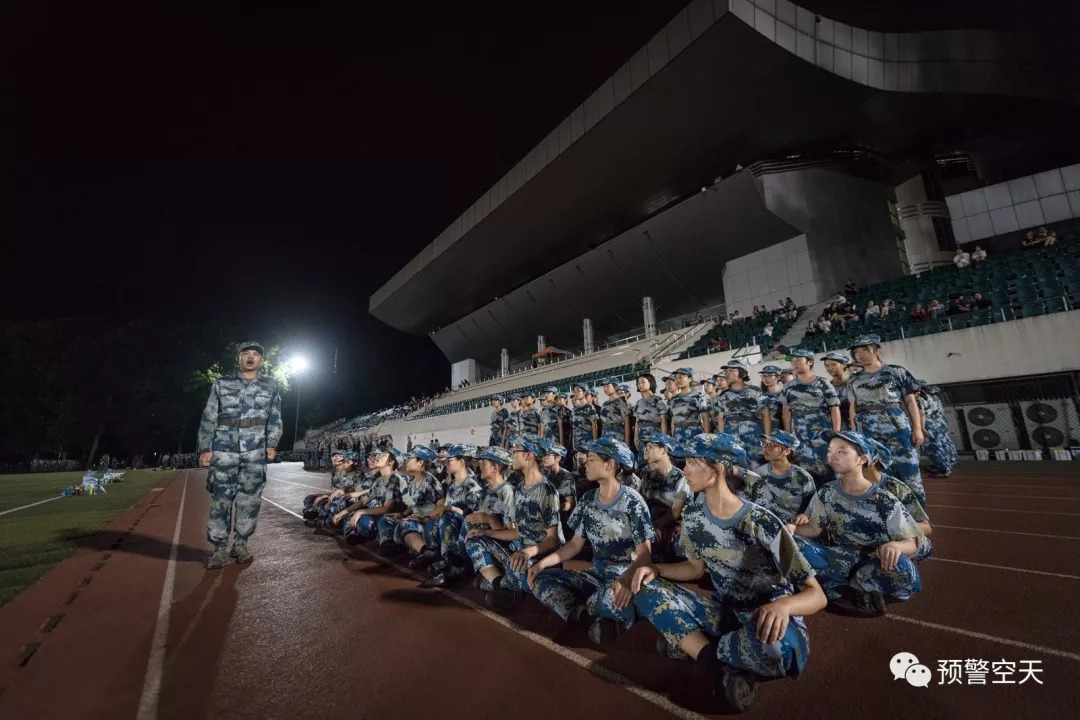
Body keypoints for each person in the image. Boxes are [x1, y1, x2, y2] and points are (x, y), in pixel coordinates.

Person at [630, 433, 825, 712]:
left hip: (766, 618)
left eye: (692, 463)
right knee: (644, 585)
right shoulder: (694, 517)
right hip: (724, 614)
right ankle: (713, 658)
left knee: (783, 652)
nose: (684, 471)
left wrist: (784, 606)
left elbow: (816, 594)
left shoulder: (761, 521)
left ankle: (695, 645)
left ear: (717, 469)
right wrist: (655, 569)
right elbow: (695, 569)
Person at [529, 437, 654, 646]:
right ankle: (587, 615)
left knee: (617, 598)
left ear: (610, 464)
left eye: (592, 459)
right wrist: (542, 564)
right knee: (541, 579)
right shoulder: (588, 499)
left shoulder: (632, 501)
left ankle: (595, 611)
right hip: (595, 575)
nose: (585, 462)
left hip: (622, 578)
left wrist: (626, 578)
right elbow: (574, 545)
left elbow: (645, 555)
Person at [789, 431, 927, 616]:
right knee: (791, 543)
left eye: (842, 451)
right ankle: (853, 592)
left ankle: (842, 589)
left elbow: (912, 542)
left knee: (903, 568)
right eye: (830, 450)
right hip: (838, 556)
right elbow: (814, 528)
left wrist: (896, 546)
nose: (832, 455)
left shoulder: (884, 499)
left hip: (872, 560)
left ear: (862, 459)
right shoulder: (826, 492)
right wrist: (792, 529)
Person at [197, 341, 283, 569]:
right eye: (246, 353)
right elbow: (209, 415)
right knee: (221, 500)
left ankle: (241, 544)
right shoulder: (221, 384)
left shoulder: (271, 386)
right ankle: (219, 549)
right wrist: (205, 448)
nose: (251, 357)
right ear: (239, 358)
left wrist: (272, 443)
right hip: (224, 450)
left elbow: (275, 417)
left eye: (256, 354)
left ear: (261, 359)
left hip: (255, 451)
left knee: (250, 500)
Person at [468, 435, 562, 610]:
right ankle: (502, 585)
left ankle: (508, 586)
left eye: (515, 451)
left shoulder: (547, 490)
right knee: (475, 540)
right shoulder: (519, 489)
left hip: (540, 556)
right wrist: (485, 532)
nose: (512, 456)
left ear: (529, 455)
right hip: (521, 553)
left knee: (521, 571)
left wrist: (527, 552)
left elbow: (552, 540)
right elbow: (519, 532)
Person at [845, 334, 925, 504]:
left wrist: (917, 428)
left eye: (865, 350)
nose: (860, 355)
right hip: (867, 428)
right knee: (877, 471)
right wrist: (855, 434)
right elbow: (853, 407)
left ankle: (916, 511)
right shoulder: (854, 379)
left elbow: (910, 402)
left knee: (909, 470)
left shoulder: (896, 372)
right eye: (856, 352)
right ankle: (888, 508)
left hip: (896, 425)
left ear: (876, 350)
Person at [424, 446, 516, 587]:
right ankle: (458, 565)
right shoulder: (486, 490)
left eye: (483, 462)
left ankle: (460, 568)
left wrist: (489, 521)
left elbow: (512, 534)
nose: (479, 465)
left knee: (468, 526)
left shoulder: (506, 492)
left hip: (502, 548)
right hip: (484, 540)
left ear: (495, 467)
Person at [406, 445, 482, 571]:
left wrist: (452, 509)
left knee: (446, 517)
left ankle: (453, 563)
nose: (446, 464)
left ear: (461, 462)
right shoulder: (452, 486)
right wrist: (424, 517)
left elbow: (475, 517)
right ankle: (438, 556)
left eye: (449, 461)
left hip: (465, 529)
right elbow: (444, 508)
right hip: (451, 523)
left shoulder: (472, 487)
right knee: (433, 522)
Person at [781, 349, 841, 484]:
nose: (794, 363)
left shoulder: (822, 383)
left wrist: (836, 432)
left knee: (828, 462)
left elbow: (834, 407)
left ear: (809, 362)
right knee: (804, 464)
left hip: (821, 427)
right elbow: (786, 412)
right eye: (793, 361)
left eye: (798, 360)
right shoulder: (788, 386)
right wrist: (788, 436)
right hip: (799, 429)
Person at [376, 445, 444, 556]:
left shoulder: (430, 481)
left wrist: (422, 518)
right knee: (386, 519)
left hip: (428, 522)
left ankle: (426, 552)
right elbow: (414, 505)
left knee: (405, 524)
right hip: (417, 519)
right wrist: (403, 514)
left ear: (420, 463)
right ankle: (389, 545)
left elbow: (442, 506)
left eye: (410, 459)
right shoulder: (413, 481)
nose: (406, 461)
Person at [638, 433, 690, 559]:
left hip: (671, 525)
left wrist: (654, 526)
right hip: (651, 524)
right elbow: (640, 503)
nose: (646, 450)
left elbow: (675, 512)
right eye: (645, 447)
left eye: (650, 446)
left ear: (664, 450)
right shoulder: (647, 475)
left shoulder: (680, 478)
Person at [746, 431, 816, 524]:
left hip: (791, 526)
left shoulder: (803, 477)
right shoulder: (759, 473)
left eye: (772, 445)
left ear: (787, 451)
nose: (766, 448)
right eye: (765, 444)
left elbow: (813, 505)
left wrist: (804, 515)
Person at [712, 359, 766, 460]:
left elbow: (766, 414)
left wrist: (767, 436)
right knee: (735, 464)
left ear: (743, 373)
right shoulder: (723, 395)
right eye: (726, 371)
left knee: (756, 462)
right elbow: (720, 419)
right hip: (731, 436)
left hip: (753, 436)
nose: (727, 374)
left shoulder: (755, 391)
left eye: (732, 371)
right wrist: (722, 438)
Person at [914, 382, 957, 478]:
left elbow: (922, 414)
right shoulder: (934, 398)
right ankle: (947, 463)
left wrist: (921, 428)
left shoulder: (919, 399)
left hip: (929, 424)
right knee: (943, 443)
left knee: (933, 447)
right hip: (939, 422)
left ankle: (943, 468)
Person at [632, 373, 668, 467]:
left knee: (654, 463)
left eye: (643, 382)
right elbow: (637, 422)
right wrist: (635, 437)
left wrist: (663, 438)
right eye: (638, 383)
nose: (640, 385)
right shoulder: (639, 403)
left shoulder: (657, 400)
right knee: (642, 462)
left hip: (654, 436)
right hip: (641, 437)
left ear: (650, 383)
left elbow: (663, 420)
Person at [669, 367, 709, 442]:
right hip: (678, 435)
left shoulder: (698, 395)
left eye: (681, 377)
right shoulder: (673, 399)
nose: (677, 380)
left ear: (690, 379)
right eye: (676, 378)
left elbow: (705, 418)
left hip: (695, 434)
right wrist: (673, 438)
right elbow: (673, 420)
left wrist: (706, 438)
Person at [822, 351, 853, 431]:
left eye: (834, 364)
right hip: (836, 428)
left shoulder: (853, 383)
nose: (830, 368)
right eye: (827, 365)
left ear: (843, 365)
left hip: (854, 426)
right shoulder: (827, 386)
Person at [570, 383, 599, 468]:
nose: (576, 393)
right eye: (575, 391)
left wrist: (594, 442)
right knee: (579, 468)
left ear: (585, 392)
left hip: (587, 444)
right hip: (577, 445)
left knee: (589, 467)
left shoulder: (589, 407)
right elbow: (573, 428)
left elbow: (594, 425)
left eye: (579, 391)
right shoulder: (574, 410)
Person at [599, 377, 631, 445]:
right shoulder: (604, 404)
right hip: (605, 437)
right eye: (604, 387)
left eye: (608, 386)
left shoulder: (621, 402)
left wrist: (627, 443)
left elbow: (627, 423)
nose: (605, 389)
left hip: (618, 437)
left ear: (615, 387)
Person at [759, 365, 785, 435]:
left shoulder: (785, 394)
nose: (766, 378)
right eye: (764, 376)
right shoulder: (760, 395)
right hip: (765, 431)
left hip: (782, 431)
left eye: (770, 376)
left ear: (778, 377)